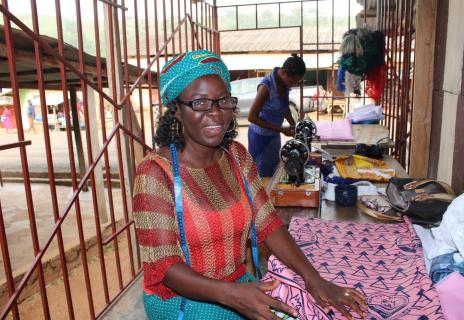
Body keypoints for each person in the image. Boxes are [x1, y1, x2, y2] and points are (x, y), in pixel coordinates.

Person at [133, 50, 367, 320]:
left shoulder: (236, 157)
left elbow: (268, 224)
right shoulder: (155, 174)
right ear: (176, 111)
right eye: (200, 103)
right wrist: (232, 295)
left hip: (236, 283)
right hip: (179, 299)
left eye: (223, 101)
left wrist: (314, 279)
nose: (216, 113)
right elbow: (165, 267)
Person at [247, 54, 306, 177]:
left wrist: (293, 124)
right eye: (292, 81)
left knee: (274, 169)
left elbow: (284, 106)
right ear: (284, 73)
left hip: (273, 135)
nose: (292, 85)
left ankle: (271, 195)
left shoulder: (284, 83)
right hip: (259, 137)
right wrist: (281, 129)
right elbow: (251, 117)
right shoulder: (266, 87)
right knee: (259, 174)